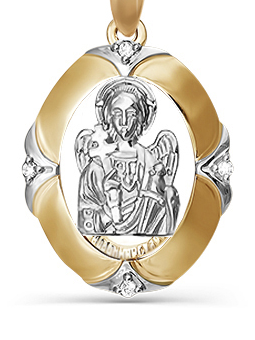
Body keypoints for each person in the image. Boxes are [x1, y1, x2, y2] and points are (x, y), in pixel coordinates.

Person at [75, 77, 180, 236]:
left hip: (149, 238)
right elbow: (87, 218)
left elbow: (164, 205)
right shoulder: (97, 166)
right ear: (108, 118)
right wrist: (109, 211)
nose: (124, 122)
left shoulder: (150, 161)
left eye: (131, 114)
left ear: (141, 118)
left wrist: (164, 195)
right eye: (117, 114)